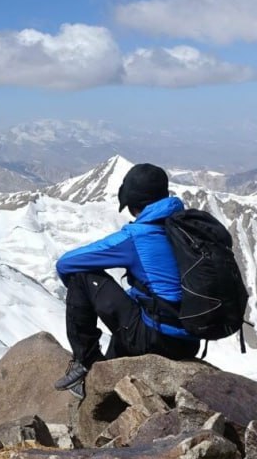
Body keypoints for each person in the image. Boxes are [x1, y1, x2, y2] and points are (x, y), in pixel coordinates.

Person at [52, 163, 201, 398]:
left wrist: (78, 292)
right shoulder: (186, 227)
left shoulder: (138, 236)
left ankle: (86, 363)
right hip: (191, 339)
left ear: (133, 205)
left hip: (157, 340)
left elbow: (66, 264)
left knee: (81, 276)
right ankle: (110, 369)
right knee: (135, 307)